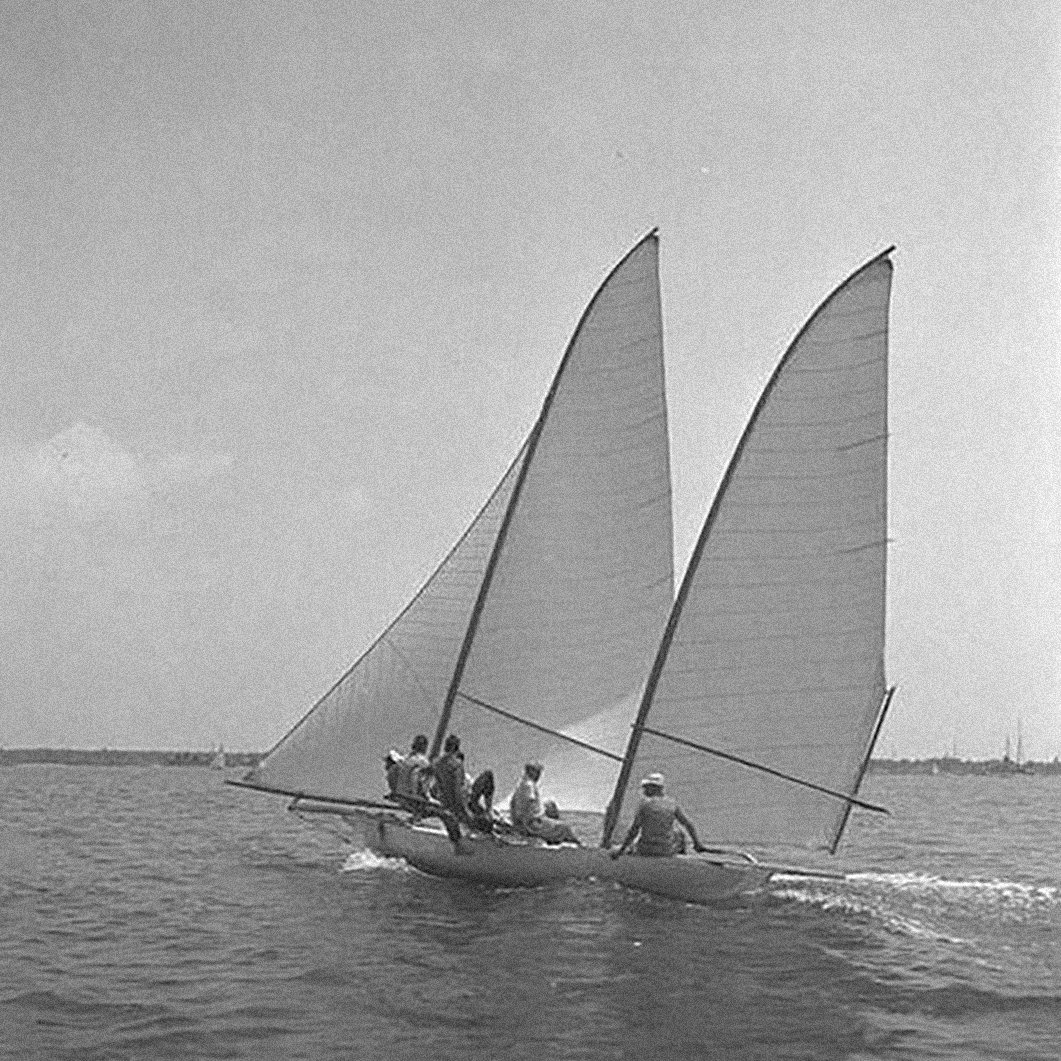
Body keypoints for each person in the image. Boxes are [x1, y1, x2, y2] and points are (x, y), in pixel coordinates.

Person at [610, 773, 707, 858]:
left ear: (655, 788)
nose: (644, 790)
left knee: (616, 848)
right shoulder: (672, 804)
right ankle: (683, 856)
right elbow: (688, 824)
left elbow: (634, 830)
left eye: (646, 787)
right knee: (679, 832)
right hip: (666, 851)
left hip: (645, 850)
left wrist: (621, 850)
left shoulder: (644, 804)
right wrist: (697, 844)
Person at [425, 734, 495, 835]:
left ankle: (486, 813)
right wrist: (466, 812)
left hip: (445, 803)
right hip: (458, 808)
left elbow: (434, 785)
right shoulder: (456, 765)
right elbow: (458, 791)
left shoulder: (437, 763)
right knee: (488, 775)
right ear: (455, 747)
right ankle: (489, 811)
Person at [509, 762, 580, 845]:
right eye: (537, 772)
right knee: (565, 828)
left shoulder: (522, 784)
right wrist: (542, 813)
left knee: (550, 808)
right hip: (531, 825)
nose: (539, 775)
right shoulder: (528, 785)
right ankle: (581, 850)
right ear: (531, 771)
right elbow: (529, 805)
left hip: (524, 822)